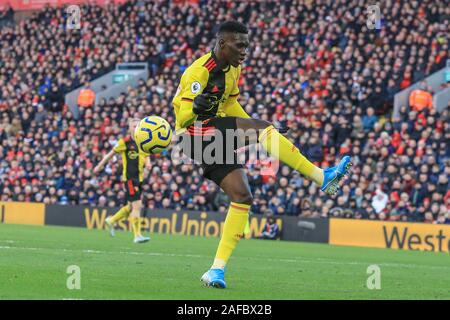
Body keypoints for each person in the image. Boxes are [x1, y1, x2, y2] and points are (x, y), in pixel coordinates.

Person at [172, 21, 351, 288]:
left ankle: (216, 270)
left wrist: (259, 127)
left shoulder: (234, 68)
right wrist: (199, 108)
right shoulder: (198, 72)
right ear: (222, 44)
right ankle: (321, 176)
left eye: (247, 45)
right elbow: (183, 119)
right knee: (261, 131)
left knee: (242, 196)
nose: (245, 50)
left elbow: (231, 103)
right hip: (193, 134)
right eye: (239, 45)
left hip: (212, 134)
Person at [93, 118, 151, 244]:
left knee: (131, 206)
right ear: (129, 128)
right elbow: (110, 154)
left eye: (138, 125)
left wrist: (148, 163)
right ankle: (137, 235)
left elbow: (146, 155)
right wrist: (100, 165)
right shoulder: (125, 142)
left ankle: (112, 220)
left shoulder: (143, 142)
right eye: (134, 126)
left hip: (139, 179)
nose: (136, 128)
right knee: (137, 206)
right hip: (130, 179)